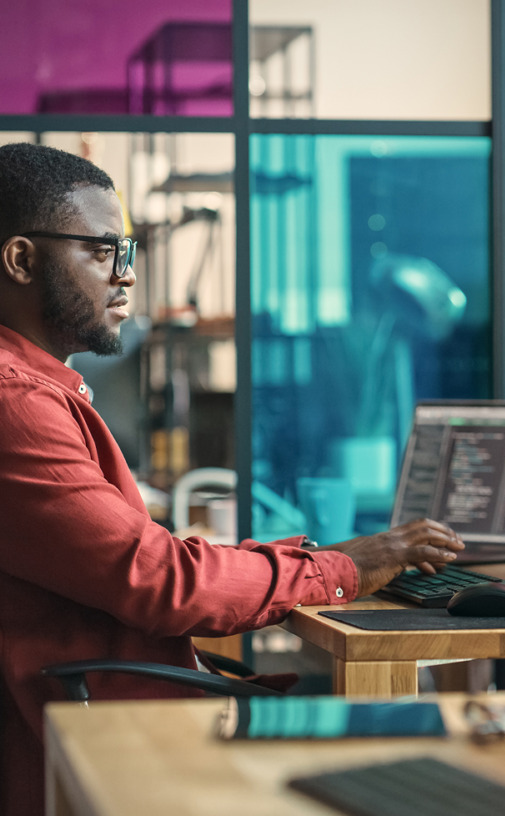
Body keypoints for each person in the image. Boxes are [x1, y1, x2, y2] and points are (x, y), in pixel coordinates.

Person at [0, 142, 465, 816]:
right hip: (95, 740)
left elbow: (149, 565)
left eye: (128, 255)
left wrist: (320, 561)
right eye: (104, 252)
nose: (127, 278)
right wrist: (338, 569)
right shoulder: (17, 404)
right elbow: (157, 580)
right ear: (20, 259)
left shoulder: (37, 392)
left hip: (98, 712)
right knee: (416, 753)